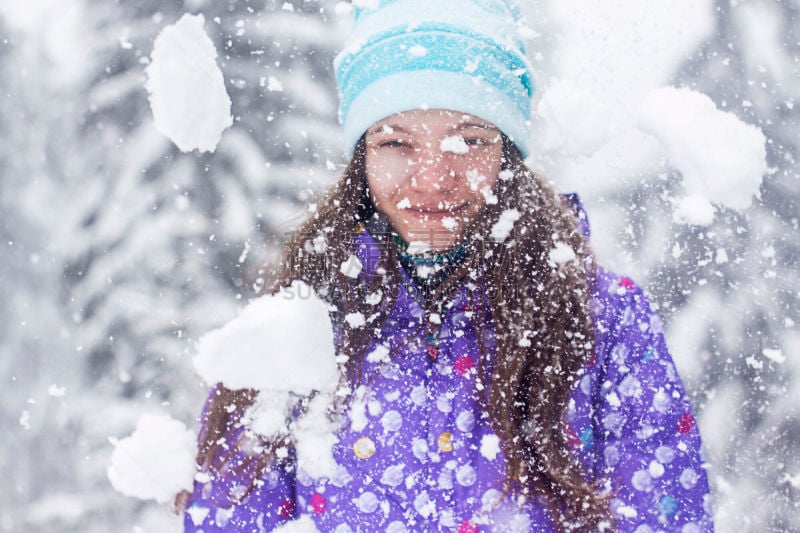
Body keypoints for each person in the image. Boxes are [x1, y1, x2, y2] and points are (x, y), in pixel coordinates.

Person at [180, 1, 714, 531]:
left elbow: (664, 514)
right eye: (396, 142)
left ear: (507, 152)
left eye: (469, 141)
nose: (432, 178)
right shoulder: (295, 325)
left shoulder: (603, 316)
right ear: (361, 154)